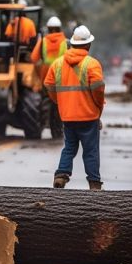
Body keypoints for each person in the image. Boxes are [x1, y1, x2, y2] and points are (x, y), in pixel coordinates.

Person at [44, 25, 105, 190]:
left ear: (72, 44)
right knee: (91, 150)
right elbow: (99, 90)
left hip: (68, 116)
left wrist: (60, 101)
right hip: (89, 116)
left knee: (69, 147)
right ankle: (94, 183)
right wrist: (98, 109)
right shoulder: (92, 64)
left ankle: (61, 176)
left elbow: (48, 85)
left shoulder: (57, 64)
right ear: (88, 45)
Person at [31, 16, 68, 138]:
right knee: (59, 106)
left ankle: (39, 128)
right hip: (61, 79)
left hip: (46, 78)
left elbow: (33, 58)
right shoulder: (64, 42)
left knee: (45, 103)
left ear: (48, 28)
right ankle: (57, 131)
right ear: (59, 28)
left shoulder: (43, 41)